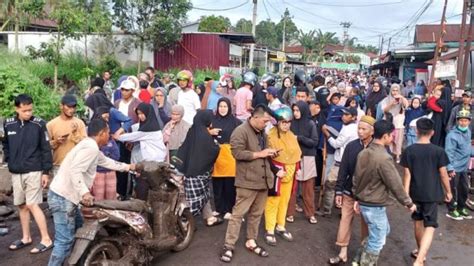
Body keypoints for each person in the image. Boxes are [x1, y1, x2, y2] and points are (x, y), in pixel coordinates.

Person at [47, 119, 136, 266]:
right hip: (63, 198)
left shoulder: (89, 145)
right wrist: (85, 193)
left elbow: (107, 162)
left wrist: (130, 166)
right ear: (102, 134)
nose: (109, 135)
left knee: (83, 232)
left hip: (66, 197)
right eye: (108, 132)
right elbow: (76, 170)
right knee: (64, 242)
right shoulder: (91, 148)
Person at [220, 105, 280, 262]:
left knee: (256, 214)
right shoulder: (240, 131)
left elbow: (265, 154)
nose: (266, 124)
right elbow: (237, 153)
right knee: (238, 214)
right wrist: (260, 153)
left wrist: (271, 154)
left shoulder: (262, 133)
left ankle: (251, 240)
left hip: (263, 180)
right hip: (247, 181)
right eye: (265, 121)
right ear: (255, 118)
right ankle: (228, 246)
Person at [352, 120, 416, 265]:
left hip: (364, 201)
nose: (392, 138)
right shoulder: (384, 157)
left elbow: (356, 178)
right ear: (386, 136)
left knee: (381, 232)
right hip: (374, 204)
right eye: (391, 135)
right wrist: (408, 202)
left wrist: (356, 197)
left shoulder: (363, 153)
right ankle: (364, 263)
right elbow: (395, 183)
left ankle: (357, 260)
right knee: (377, 240)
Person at [3, 94, 53, 254]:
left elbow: (46, 149)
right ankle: (26, 237)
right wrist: (10, 160)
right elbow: (6, 145)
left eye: (30, 110)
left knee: (32, 204)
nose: (28, 113)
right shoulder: (8, 124)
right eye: (25, 110)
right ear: (16, 109)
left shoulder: (39, 124)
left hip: (34, 170)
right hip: (16, 171)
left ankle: (46, 239)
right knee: (21, 205)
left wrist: (46, 172)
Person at [401, 118, 452, 266]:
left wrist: (406, 196)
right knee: (430, 225)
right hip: (432, 193)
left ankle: (420, 251)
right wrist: (448, 191)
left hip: (415, 193)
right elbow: (443, 173)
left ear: (416, 131)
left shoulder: (409, 151)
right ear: (432, 133)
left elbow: (407, 174)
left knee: (418, 222)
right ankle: (419, 259)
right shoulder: (439, 151)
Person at [329, 116, 374, 265]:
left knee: (366, 224)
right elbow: (343, 170)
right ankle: (342, 252)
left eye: (364, 129)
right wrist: (339, 190)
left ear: (372, 131)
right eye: (359, 129)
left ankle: (363, 253)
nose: (360, 132)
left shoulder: (378, 148)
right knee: (345, 220)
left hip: (367, 195)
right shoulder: (352, 146)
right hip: (349, 190)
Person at [175, 110, 222, 226]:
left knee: (202, 196)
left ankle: (209, 217)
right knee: (195, 200)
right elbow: (212, 151)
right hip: (199, 173)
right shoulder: (205, 135)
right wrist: (217, 146)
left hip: (188, 171)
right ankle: (185, 224)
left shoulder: (193, 130)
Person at [264, 106, 302, 246]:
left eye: (288, 122)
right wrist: (275, 171)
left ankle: (280, 225)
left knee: (285, 201)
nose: (286, 125)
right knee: (273, 201)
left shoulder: (291, 135)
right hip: (277, 173)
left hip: (290, 174)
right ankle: (269, 229)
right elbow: (267, 156)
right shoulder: (270, 135)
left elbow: (296, 154)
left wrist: (298, 168)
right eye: (283, 122)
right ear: (277, 122)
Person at [117, 103, 167, 200]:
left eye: (142, 114)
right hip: (152, 162)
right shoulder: (151, 127)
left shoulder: (148, 130)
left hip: (152, 164)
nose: (140, 116)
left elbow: (129, 137)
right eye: (138, 114)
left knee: (145, 189)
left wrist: (117, 135)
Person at [320, 107, 358, 216]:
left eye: (347, 115)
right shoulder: (354, 128)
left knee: (331, 184)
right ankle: (343, 210)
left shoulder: (347, 129)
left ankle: (327, 210)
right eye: (344, 114)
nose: (343, 116)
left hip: (341, 162)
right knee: (346, 188)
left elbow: (337, 144)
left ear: (353, 117)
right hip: (352, 161)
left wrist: (327, 134)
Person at [287, 100, 318, 224]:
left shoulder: (310, 124)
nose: (295, 113)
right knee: (292, 187)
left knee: (308, 188)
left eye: (298, 110)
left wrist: (299, 138)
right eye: (294, 110)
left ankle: (310, 213)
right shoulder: (290, 124)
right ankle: (290, 213)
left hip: (308, 158)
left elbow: (314, 142)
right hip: (293, 158)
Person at [211, 98, 242, 219]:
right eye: (220, 106)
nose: (222, 109)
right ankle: (219, 208)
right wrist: (210, 132)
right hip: (216, 156)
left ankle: (229, 208)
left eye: (225, 106)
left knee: (229, 184)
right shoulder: (212, 121)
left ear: (229, 107)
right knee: (217, 184)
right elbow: (204, 133)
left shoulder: (236, 122)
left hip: (230, 156)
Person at [47, 95, 87, 178]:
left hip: (76, 164)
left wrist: (76, 133)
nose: (72, 110)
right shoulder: (51, 124)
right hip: (59, 165)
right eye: (69, 107)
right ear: (61, 106)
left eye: (74, 107)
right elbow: (45, 145)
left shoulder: (79, 123)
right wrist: (56, 142)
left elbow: (85, 145)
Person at [445, 109, 473, 220]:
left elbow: (467, 148)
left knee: (464, 189)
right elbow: (448, 153)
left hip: (464, 167)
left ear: (469, 122)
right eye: (461, 120)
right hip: (454, 168)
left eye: (465, 120)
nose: (463, 123)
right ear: (457, 121)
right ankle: (451, 210)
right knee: (453, 189)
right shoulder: (452, 136)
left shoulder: (468, 132)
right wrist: (450, 168)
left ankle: (461, 208)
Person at [379, 83, 409, 162]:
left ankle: (398, 156)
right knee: (388, 140)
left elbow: (406, 105)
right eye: (393, 90)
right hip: (388, 123)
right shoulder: (386, 100)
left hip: (399, 124)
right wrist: (391, 104)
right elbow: (384, 110)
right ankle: (388, 154)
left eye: (396, 90)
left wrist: (401, 97)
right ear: (390, 91)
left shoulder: (401, 99)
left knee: (398, 141)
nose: (395, 92)